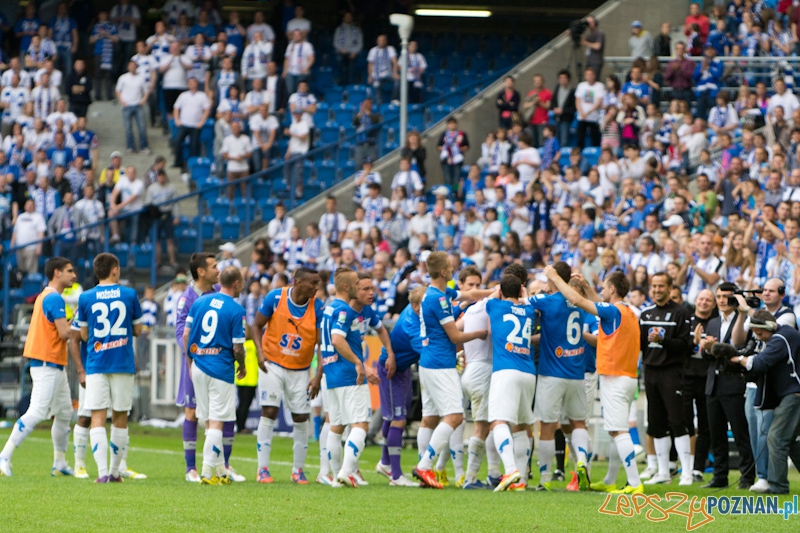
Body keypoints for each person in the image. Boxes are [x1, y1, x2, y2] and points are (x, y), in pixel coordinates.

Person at [544, 268, 643, 494]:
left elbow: (577, 300)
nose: (600, 291)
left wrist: (556, 278)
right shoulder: (627, 311)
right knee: (615, 430)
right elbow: (599, 305)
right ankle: (610, 480)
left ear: (612, 289)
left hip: (615, 376)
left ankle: (635, 483)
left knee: (619, 431)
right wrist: (588, 286)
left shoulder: (612, 311)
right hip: (627, 376)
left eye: (604, 287)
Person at [412, 252, 488, 489]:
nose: (453, 268)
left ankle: (426, 468)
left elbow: (470, 294)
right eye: (450, 266)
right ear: (444, 272)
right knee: (455, 417)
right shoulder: (439, 299)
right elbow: (454, 335)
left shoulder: (434, 293)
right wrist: (478, 333)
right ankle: (425, 466)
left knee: (431, 418)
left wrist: (492, 293)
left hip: (429, 362)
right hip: (440, 364)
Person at [0, 258, 76, 477]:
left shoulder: (47, 296)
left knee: (63, 412)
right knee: (37, 412)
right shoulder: (54, 298)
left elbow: (59, 331)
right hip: (46, 362)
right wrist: (79, 324)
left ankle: (60, 463)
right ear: (57, 273)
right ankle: (4, 455)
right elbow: (63, 334)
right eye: (69, 271)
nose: (74, 275)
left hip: (53, 362)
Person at [249, 268, 323, 484]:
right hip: (272, 363)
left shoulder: (317, 306)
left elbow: (321, 344)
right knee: (269, 412)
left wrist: (318, 374)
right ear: (298, 282)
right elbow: (256, 325)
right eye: (312, 283)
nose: (316, 287)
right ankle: (262, 469)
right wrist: (259, 353)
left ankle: (297, 470)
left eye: (318, 283)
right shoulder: (276, 297)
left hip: (301, 369)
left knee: (301, 417)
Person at [321, 270, 394, 487]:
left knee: (336, 426)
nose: (370, 292)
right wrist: (359, 363)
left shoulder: (330, 307)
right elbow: (337, 339)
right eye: (359, 285)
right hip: (348, 374)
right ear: (347, 287)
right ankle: (346, 471)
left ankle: (338, 476)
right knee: (361, 425)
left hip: (332, 373)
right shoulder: (344, 310)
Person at [175, 253, 243, 483]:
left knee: (223, 415)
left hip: (202, 363)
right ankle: (192, 468)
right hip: (198, 361)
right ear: (201, 271)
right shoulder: (187, 298)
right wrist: (193, 356)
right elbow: (180, 333)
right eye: (214, 266)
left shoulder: (214, 296)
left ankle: (222, 466)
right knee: (195, 413)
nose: (218, 270)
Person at [76, 253, 142, 482]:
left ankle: (102, 472)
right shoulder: (130, 294)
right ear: (114, 270)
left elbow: (83, 335)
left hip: (96, 363)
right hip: (122, 362)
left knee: (97, 416)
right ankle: (115, 473)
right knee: (120, 417)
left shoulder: (85, 297)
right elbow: (138, 330)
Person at [527, 262, 592, 491]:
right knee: (578, 423)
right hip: (576, 372)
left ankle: (544, 479)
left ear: (553, 278)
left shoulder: (546, 301)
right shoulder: (579, 301)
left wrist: (542, 289)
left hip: (551, 373)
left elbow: (525, 300)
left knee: (547, 425)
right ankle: (582, 464)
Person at [731, 309, 800, 494]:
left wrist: (736, 359)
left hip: (794, 394)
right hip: (791, 393)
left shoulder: (780, 338)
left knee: (776, 437)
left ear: (769, 326)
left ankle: (778, 486)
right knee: (791, 441)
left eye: (760, 333)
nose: (758, 337)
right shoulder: (785, 334)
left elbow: (761, 362)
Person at [696, 283, 755, 489]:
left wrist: (716, 348)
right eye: (719, 296)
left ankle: (747, 478)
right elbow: (705, 356)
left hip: (733, 383)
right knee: (716, 435)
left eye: (726, 297)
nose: (722, 300)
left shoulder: (745, 322)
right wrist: (705, 347)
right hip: (713, 384)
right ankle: (719, 476)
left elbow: (741, 350)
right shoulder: (712, 323)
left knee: (741, 434)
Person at [638, 272, 693, 486]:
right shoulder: (645, 313)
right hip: (650, 372)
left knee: (678, 421)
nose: (657, 290)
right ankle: (662, 472)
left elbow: (686, 345)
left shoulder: (681, 313)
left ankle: (686, 472)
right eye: (654, 286)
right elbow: (641, 344)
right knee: (656, 423)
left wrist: (664, 340)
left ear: (670, 288)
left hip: (672, 372)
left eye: (661, 286)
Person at [375, 286, 425, 487]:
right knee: (398, 419)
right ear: (415, 306)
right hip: (391, 371)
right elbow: (427, 350)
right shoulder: (412, 324)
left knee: (395, 417)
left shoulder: (416, 313)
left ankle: (385, 463)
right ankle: (395, 475)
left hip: (401, 369)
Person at [684, 288, 716, 483]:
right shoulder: (686, 321)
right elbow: (679, 347)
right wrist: (694, 342)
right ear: (695, 300)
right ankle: (684, 465)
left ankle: (698, 468)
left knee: (705, 425)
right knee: (684, 423)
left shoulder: (716, 324)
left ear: (713, 304)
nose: (704, 302)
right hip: (686, 377)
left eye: (708, 300)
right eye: (701, 299)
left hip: (707, 378)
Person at [173, 77, 211, 173]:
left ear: (197, 84)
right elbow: (176, 108)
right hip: (184, 124)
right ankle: (178, 163)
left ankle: (192, 165)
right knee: (177, 142)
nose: (192, 84)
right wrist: (177, 119)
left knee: (194, 146)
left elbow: (207, 109)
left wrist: (202, 122)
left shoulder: (202, 96)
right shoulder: (183, 95)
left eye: (193, 82)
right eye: (190, 82)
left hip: (195, 125)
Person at [116, 60, 149, 155]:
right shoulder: (123, 78)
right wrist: (122, 102)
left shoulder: (141, 78)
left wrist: (143, 100)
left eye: (134, 66)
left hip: (138, 105)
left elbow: (146, 91)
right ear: (128, 67)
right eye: (130, 66)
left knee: (142, 127)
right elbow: (118, 90)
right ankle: (131, 147)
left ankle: (144, 146)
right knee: (128, 128)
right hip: (127, 106)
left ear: (136, 67)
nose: (132, 67)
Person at [11, 198, 46, 274]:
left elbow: (41, 233)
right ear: (25, 206)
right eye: (28, 204)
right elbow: (15, 231)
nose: (29, 206)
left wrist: (39, 247)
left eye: (31, 205)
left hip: (31, 248)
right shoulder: (20, 217)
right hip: (19, 247)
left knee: (31, 271)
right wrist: (12, 244)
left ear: (35, 206)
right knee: (21, 270)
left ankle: (31, 286)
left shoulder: (38, 217)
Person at [575, 68, 606, 149]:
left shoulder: (600, 86)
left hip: (594, 117)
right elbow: (578, 100)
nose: (589, 76)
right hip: (582, 117)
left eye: (590, 74)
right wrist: (581, 112)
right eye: (587, 74)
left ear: (594, 76)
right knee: (580, 138)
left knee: (595, 138)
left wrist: (588, 112)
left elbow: (599, 101)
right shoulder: (581, 85)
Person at [221, 119, 252, 200]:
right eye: (233, 127)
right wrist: (234, 158)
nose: (235, 129)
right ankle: (230, 206)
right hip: (232, 168)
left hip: (244, 168)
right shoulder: (227, 139)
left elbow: (250, 153)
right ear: (231, 128)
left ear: (240, 128)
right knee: (230, 188)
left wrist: (242, 157)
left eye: (237, 127)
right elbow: (224, 154)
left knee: (244, 187)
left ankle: (245, 204)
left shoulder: (246, 138)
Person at [437, 117, 469, 191]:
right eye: (450, 123)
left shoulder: (462, 134)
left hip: (457, 160)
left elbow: (466, 146)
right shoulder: (444, 134)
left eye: (453, 123)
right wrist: (447, 148)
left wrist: (457, 149)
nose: (452, 125)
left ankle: (455, 193)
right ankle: (448, 193)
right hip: (446, 160)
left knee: (456, 179)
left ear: (456, 124)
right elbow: (439, 146)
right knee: (447, 178)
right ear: (447, 125)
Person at [367, 34, 398, 105]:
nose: (381, 42)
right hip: (377, 75)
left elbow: (395, 62)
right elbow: (370, 64)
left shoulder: (390, 49)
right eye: (379, 40)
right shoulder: (373, 50)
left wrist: (395, 73)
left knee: (397, 81)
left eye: (383, 40)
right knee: (377, 84)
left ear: (386, 41)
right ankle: (379, 105)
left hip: (388, 73)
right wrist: (370, 76)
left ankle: (394, 100)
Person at [333, 12, 362, 86]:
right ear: (344, 18)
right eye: (347, 16)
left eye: (350, 16)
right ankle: (340, 80)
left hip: (353, 52)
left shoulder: (357, 29)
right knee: (339, 59)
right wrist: (341, 49)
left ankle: (350, 83)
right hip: (341, 51)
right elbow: (335, 42)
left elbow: (360, 43)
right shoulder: (339, 29)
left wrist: (354, 52)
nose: (348, 18)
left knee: (352, 64)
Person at [283, 29, 314, 97]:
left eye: (298, 34)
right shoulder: (290, 46)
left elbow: (311, 58)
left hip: (302, 72)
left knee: (301, 91)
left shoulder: (307, 45)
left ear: (301, 35)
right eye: (295, 35)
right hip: (290, 71)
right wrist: (284, 71)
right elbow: (287, 59)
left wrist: (306, 68)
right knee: (290, 91)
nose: (296, 36)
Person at [552, 69, 576, 148]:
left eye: (564, 78)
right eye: (560, 78)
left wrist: (563, 111)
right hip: (557, 118)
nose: (562, 80)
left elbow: (573, 108)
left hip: (566, 118)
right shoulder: (557, 89)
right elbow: (553, 102)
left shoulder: (572, 91)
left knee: (564, 140)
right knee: (556, 138)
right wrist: (554, 108)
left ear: (568, 79)